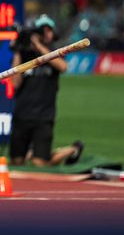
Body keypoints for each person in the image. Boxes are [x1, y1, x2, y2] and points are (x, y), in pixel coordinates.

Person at [9, 14, 84, 167]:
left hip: (44, 116)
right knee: (16, 162)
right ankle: (31, 151)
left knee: (40, 163)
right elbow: (15, 82)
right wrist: (18, 50)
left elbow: (63, 67)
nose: (46, 33)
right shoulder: (24, 55)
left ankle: (73, 149)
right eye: (42, 30)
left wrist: (39, 47)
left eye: (48, 30)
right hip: (22, 114)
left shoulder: (54, 52)